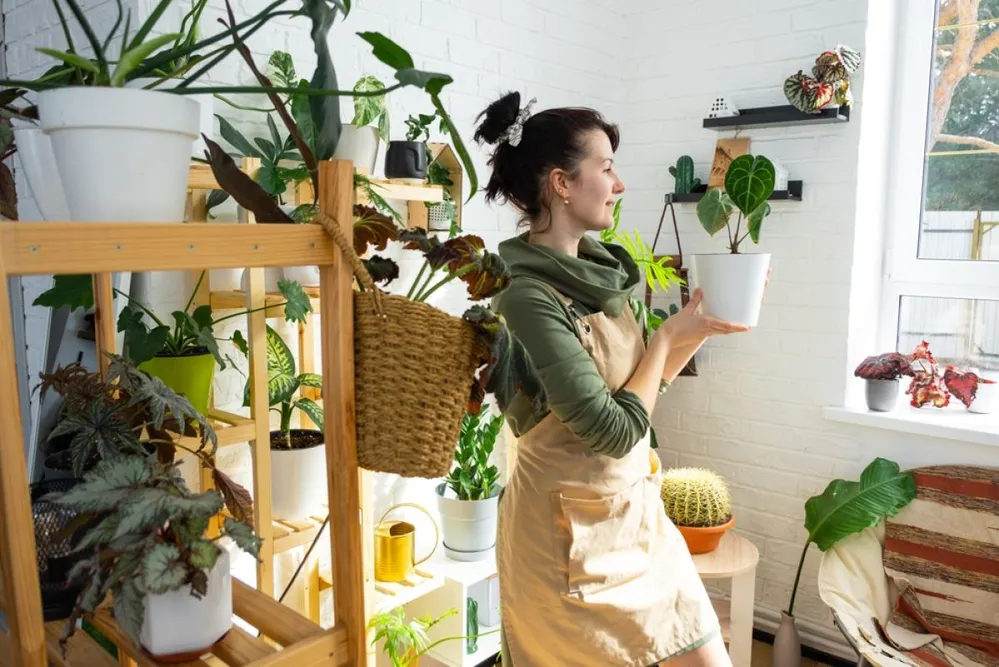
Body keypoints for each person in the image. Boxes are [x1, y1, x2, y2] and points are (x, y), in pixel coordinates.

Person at [476, 92, 763, 667]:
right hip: (563, 542)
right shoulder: (528, 296)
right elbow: (612, 430)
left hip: (635, 521)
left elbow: (640, 395)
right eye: (606, 167)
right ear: (561, 183)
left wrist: (695, 332)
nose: (620, 182)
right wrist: (663, 340)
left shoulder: (600, 274)